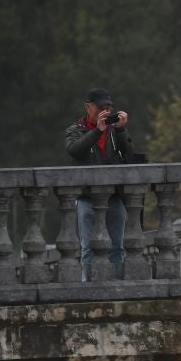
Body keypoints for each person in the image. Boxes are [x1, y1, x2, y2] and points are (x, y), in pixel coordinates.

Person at [64, 87, 133, 279]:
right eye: (101, 108)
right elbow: (74, 150)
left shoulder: (113, 131)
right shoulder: (75, 129)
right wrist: (96, 131)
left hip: (114, 196)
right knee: (88, 247)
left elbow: (129, 153)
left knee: (117, 246)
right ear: (88, 107)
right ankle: (89, 285)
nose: (105, 112)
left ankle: (117, 285)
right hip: (87, 197)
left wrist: (121, 130)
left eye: (108, 108)